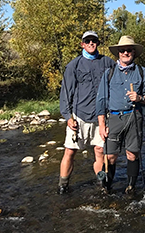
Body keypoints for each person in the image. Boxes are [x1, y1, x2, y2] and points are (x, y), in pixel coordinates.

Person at [56, 31, 115, 194]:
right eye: (87, 41)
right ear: (82, 44)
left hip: (101, 117)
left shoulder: (108, 62)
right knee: (70, 151)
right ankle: (63, 185)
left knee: (100, 151)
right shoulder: (73, 65)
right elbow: (65, 93)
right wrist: (67, 117)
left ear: (98, 43)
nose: (91, 43)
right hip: (79, 116)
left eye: (94, 40)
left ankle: (102, 183)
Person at [96, 35, 145, 194]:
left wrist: (141, 98)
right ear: (118, 53)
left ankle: (131, 187)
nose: (125, 53)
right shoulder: (108, 73)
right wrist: (101, 125)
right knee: (110, 156)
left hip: (135, 117)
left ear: (134, 52)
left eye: (129, 50)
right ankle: (106, 188)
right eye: (122, 50)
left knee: (132, 153)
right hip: (114, 118)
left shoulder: (142, 72)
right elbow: (101, 101)